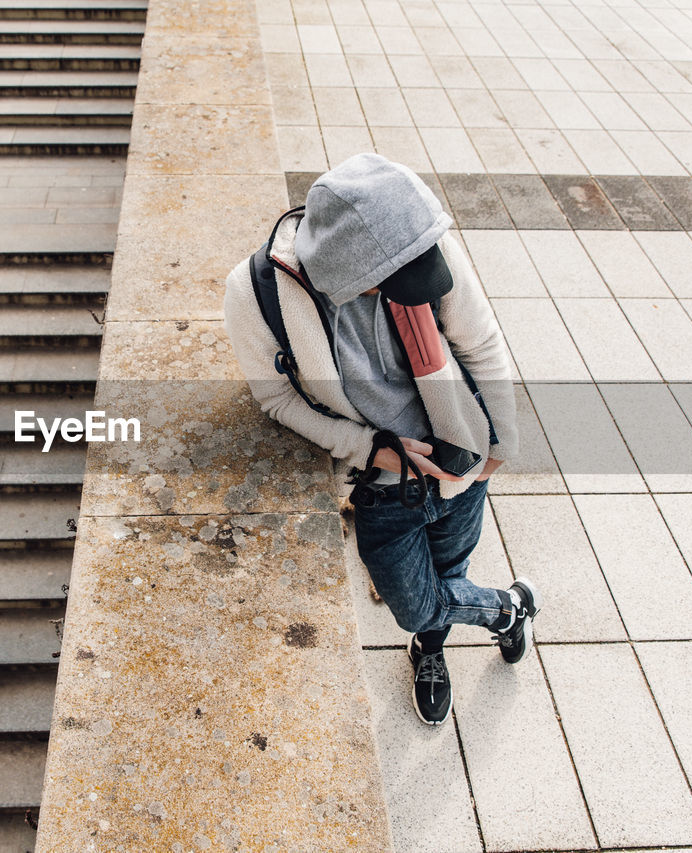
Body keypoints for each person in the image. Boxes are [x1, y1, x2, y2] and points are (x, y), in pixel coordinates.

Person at [222, 153, 540, 726]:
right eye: (389, 286)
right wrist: (371, 449)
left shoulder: (417, 242)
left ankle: (430, 651)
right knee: (414, 603)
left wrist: (500, 446)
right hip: (384, 485)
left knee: (450, 571)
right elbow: (276, 400)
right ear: (348, 274)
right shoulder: (254, 295)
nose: (409, 293)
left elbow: (481, 343)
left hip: (460, 455)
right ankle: (507, 611)